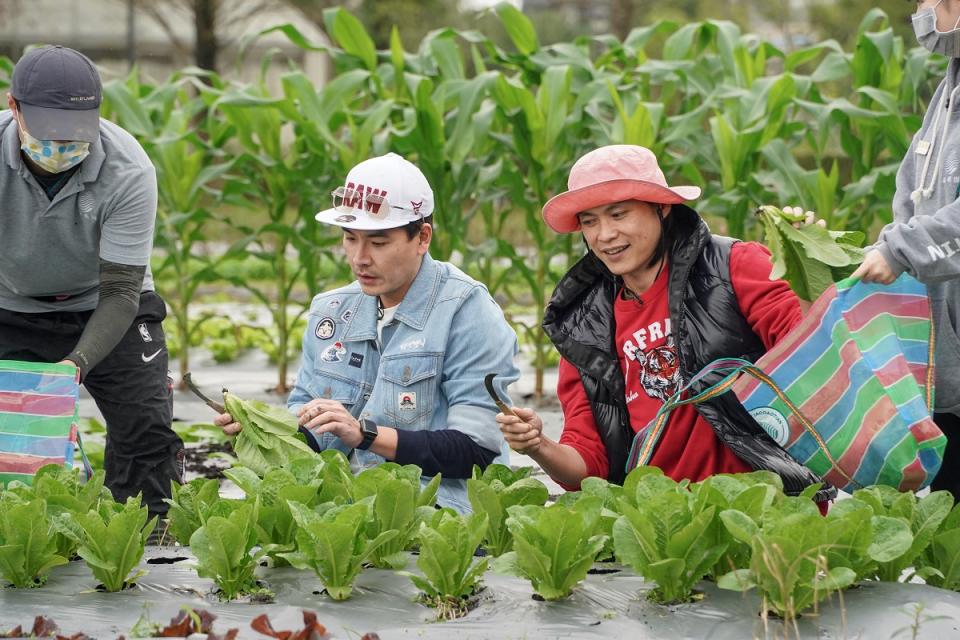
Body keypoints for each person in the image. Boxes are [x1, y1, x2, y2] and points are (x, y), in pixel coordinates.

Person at [496, 145, 834, 507]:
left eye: (618, 214)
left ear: (662, 208)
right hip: (666, 525)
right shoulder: (584, 324)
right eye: (590, 221)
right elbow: (589, 464)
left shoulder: (733, 266)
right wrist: (538, 445)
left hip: (769, 505)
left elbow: (813, 357)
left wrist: (806, 273)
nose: (604, 234)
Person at [215, 153, 520, 512]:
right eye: (349, 238)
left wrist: (365, 435)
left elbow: (476, 451)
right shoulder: (331, 311)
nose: (360, 257)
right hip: (344, 506)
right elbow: (309, 435)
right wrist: (261, 430)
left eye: (378, 243)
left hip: (438, 509)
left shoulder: (467, 312)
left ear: (422, 237)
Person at [0, 46, 183, 515]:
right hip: (10, 305)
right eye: (49, 132)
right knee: (15, 448)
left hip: (105, 302)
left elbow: (122, 290)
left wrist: (74, 364)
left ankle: (140, 546)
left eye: (74, 134)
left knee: (146, 432)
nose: (61, 146)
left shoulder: (129, 171)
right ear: (13, 107)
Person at [851, 0, 960, 499]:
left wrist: (902, 250)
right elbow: (913, 188)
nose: (927, 11)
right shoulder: (948, 89)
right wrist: (888, 244)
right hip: (944, 360)